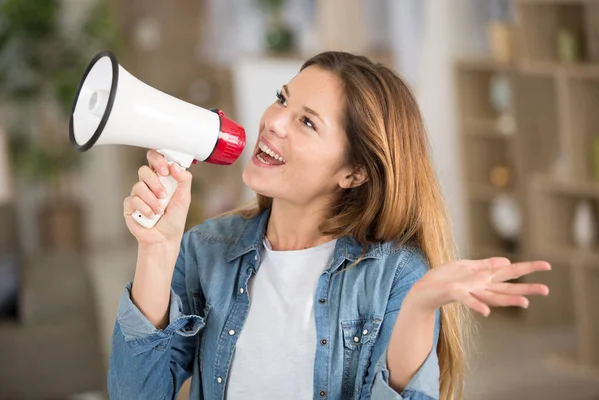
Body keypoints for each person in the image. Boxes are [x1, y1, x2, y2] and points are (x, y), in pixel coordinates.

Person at [108, 52, 550, 400]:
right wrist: (158, 250)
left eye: (306, 122)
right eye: (282, 98)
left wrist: (419, 308)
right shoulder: (206, 250)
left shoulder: (394, 277)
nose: (273, 122)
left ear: (353, 172)